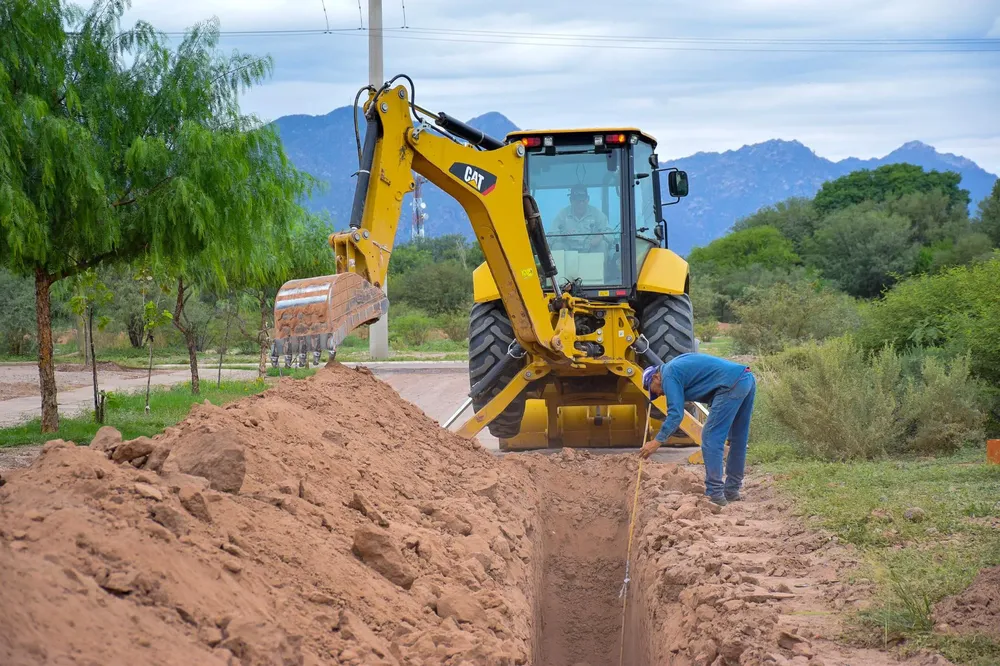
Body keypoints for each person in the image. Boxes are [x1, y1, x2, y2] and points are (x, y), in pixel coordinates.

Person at [639, 353, 756, 506]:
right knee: (738, 438)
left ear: (655, 377)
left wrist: (656, 441)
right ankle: (732, 491)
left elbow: (675, 414)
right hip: (746, 379)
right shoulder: (675, 366)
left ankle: (714, 494)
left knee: (710, 437)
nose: (659, 394)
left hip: (730, 385)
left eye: (654, 391)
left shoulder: (668, 374)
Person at [549, 184, 611, 252]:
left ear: (588, 199)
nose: (581, 204)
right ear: (571, 200)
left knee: (602, 244)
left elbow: (610, 234)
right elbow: (550, 237)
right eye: (577, 201)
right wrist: (562, 237)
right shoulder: (562, 215)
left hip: (591, 250)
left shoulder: (597, 214)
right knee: (557, 246)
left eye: (583, 200)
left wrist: (600, 237)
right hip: (568, 252)